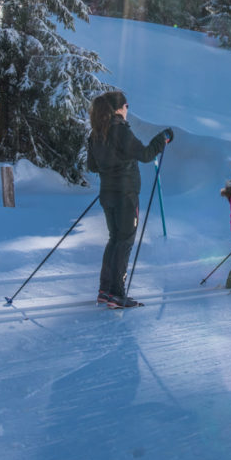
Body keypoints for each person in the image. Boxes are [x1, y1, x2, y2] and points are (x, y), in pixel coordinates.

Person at [85, 91, 172, 308]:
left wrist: (112, 164)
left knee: (114, 239)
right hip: (126, 195)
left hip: (107, 194)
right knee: (124, 242)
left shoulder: (96, 133)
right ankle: (117, 294)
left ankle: (105, 291)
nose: (127, 110)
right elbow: (145, 155)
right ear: (119, 108)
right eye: (126, 105)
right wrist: (163, 139)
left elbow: (92, 166)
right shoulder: (119, 130)